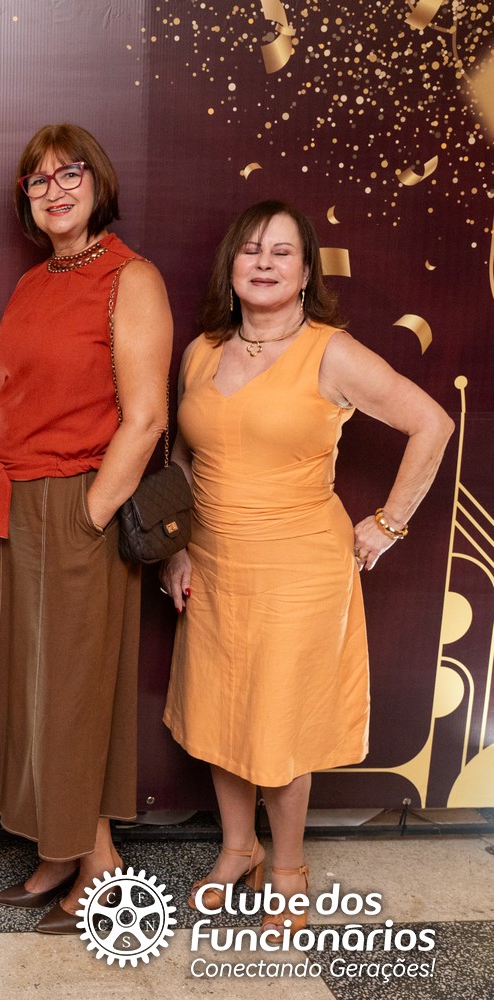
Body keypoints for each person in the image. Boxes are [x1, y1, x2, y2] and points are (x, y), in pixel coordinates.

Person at [162, 200, 452, 941]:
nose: (263, 263)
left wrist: (388, 523)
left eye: (282, 252)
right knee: (221, 711)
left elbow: (433, 422)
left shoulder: (331, 352)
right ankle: (239, 849)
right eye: (250, 249)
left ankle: (288, 869)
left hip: (299, 568)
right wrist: (176, 547)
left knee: (279, 722)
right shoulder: (201, 351)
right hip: (214, 560)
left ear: (305, 272)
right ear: (230, 265)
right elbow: (183, 459)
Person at [0, 124, 172, 934]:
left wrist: (90, 514)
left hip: (79, 500)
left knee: (73, 691)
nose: (55, 190)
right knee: (29, 687)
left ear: (97, 181)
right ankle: (57, 849)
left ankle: (97, 860)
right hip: (15, 502)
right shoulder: (32, 283)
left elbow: (145, 420)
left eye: (69, 173)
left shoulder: (130, 278)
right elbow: (9, 410)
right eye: (37, 181)